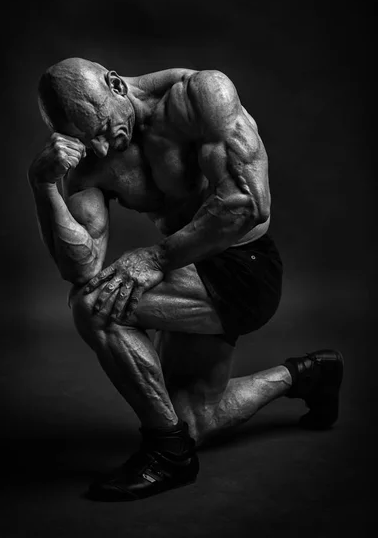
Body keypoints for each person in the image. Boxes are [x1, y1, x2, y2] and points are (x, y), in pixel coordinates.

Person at [28, 57, 344, 502]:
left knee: (94, 306)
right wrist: (43, 187)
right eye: (83, 141)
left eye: (99, 128)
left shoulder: (199, 96)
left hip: (244, 267)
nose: (98, 147)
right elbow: (80, 267)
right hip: (192, 272)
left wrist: (157, 257)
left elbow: (248, 203)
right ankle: (307, 375)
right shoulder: (90, 164)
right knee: (195, 420)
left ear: (116, 85)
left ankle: (168, 454)